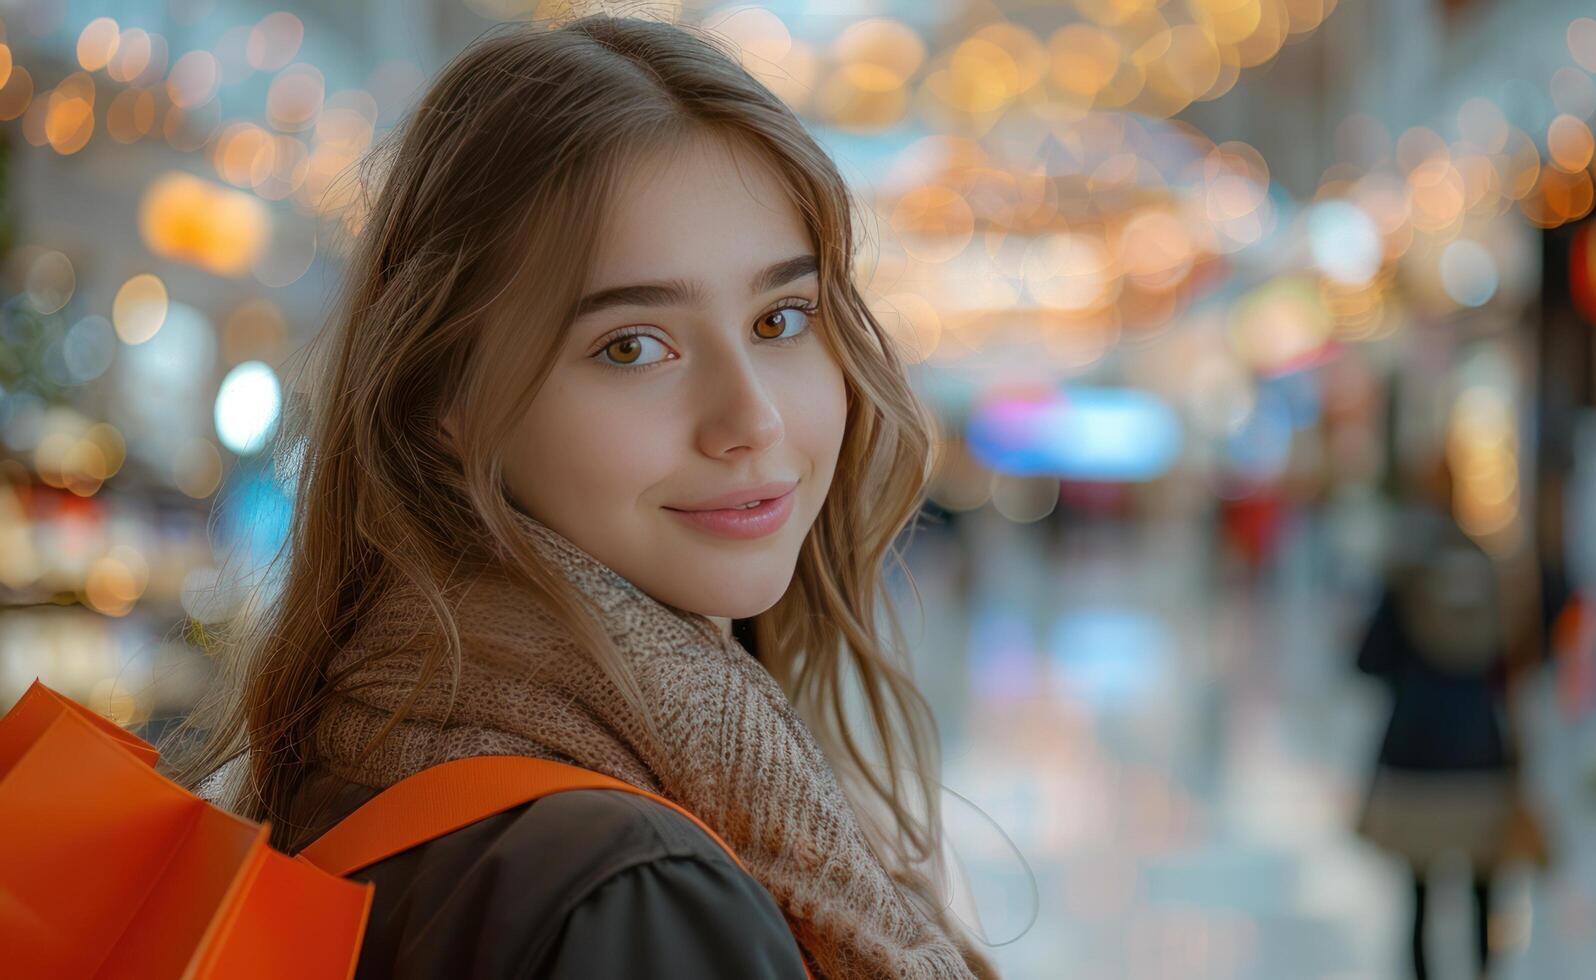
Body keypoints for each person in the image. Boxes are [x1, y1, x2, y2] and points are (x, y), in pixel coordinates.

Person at [163, 15, 994, 979]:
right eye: (632, 346)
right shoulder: (628, 891)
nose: (751, 418)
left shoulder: (363, 743)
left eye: (781, 317)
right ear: (444, 399)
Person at [1354, 459, 1521, 980]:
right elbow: (1511, 661)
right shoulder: (1487, 566)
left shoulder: (1404, 574)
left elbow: (1367, 660)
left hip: (1418, 746)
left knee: (1420, 894)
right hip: (1480, 746)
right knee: (1483, 885)